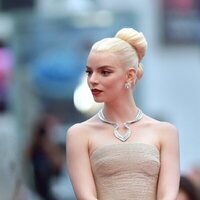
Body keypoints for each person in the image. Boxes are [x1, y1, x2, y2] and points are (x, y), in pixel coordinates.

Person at [66, 27, 180, 200]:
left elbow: (168, 195)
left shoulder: (165, 132)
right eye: (89, 72)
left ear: (129, 76)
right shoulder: (79, 134)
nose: (93, 80)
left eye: (105, 72)